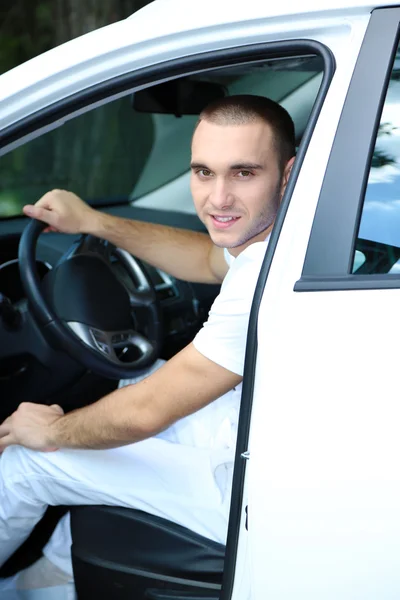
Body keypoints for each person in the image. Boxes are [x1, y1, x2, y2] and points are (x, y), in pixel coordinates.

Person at [0, 94, 295, 598]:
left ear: (287, 175)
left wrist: (52, 430)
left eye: (243, 173)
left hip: (260, 494)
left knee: (28, 462)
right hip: (268, 438)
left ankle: (32, 583)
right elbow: (206, 259)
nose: (217, 198)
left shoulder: (266, 281)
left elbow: (146, 415)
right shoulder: (291, 240)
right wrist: (95, 222)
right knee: (135, 375)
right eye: (203, 172)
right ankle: (48, 579)